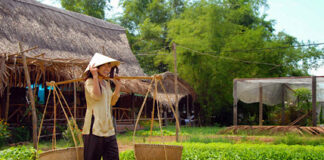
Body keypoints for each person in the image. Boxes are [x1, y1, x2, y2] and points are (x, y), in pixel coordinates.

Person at [82, 53, 121, 160]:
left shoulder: (106, 83)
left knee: (113, 157)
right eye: (104, 65)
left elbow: (112, 102)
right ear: (96, 67)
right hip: (94, 128)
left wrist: (118, 86)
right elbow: (97, 96)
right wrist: (95, 77)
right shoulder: (89, 82)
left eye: (109, 66)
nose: (107, 68)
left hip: (108, 129)